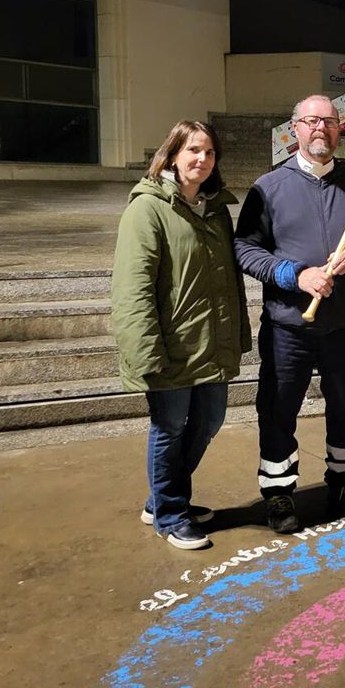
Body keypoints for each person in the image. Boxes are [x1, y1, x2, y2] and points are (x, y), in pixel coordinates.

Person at [234, 94, 345, 534]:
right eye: (311, 121)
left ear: (339, 128)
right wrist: (293, 275)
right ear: (295, 130)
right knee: (279, 409)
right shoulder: (269, 187)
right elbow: (245, 249)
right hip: (289, 325)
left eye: (328, 121)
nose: (320, 128)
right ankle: (279, 490)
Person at [111, 120, 250, 550]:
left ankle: (160, 499)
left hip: (211, 343)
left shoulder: (215, 209)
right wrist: (145, 351)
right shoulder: (147, 209)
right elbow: (132, 288)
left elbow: (229, 282)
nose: (201, 160)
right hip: (169, 347)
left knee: (209, 421)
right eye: (193, 151)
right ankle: (171, 514)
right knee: (169, 427)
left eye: (209, 153)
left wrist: (236, 334)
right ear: (172, 154)